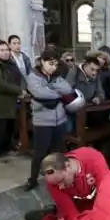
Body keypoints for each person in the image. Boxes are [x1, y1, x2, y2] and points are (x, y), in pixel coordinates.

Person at [24, 147, 110, 220]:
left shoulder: (94, 160)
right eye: (56, 185)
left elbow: (107, 195)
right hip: (77, 201)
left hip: (96, 198)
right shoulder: (53, 183)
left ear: (68, 166)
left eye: (62, 181)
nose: (60, 187)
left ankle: (55, 211)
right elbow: (72, 214)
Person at [25, 48, 75, 190]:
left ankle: (61, 177)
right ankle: (33, 179)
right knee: (40, 152)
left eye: (55, 64)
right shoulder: (33, 77)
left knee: (59, 150)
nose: (53, 67)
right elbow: (40, 92)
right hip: (43, 121)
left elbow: (67, 89)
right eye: (50, 64)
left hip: (59, 119)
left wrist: (51, 88)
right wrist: (57, 94)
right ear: (42, 62)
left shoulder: (56, 77)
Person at [0, 39, 25, 159]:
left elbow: (19, 77)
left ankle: (6, 147)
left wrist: (22, 89)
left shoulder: (10, 63)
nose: (5, 52)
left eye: (7, 50)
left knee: (9, 127)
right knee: (0, 130)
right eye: (1, 50)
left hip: (11, 101)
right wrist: (18, 91)